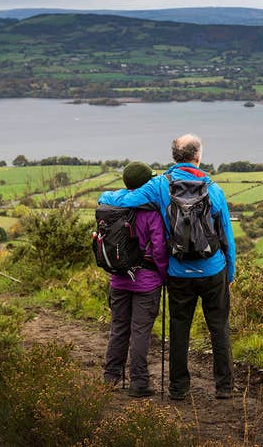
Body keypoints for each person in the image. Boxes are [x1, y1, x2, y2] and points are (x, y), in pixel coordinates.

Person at [98, 134, 236, 400]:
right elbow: (226, 237)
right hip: (212, 270)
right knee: (218, 327)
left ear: (174, 156)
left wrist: (105, 194)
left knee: (179, 329)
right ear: (198, 156)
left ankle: (178, 388)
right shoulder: (214, 189)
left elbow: (121, 201)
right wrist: (229, 273)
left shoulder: (159, 186)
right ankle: (225, 387)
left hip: (178, 272)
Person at [103, 162, 169, 398]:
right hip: (147, 282)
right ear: (147, 183)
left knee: (119, 328)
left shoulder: (111, 206)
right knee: (140, 331)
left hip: (118, 280)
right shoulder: (151, 212)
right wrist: (164, 276)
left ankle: (110, 378)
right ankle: (139, 382)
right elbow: (160, 249)